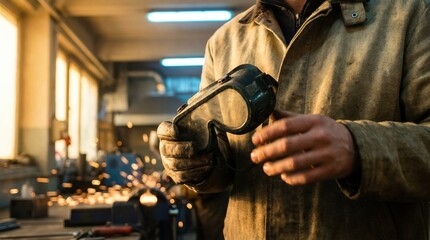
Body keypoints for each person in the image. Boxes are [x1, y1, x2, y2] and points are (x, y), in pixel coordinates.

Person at [157, 0, 430, 239]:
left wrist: (359, 148)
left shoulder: (409, 15)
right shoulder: (224, 41)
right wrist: (195, 161)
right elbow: (224, 162)